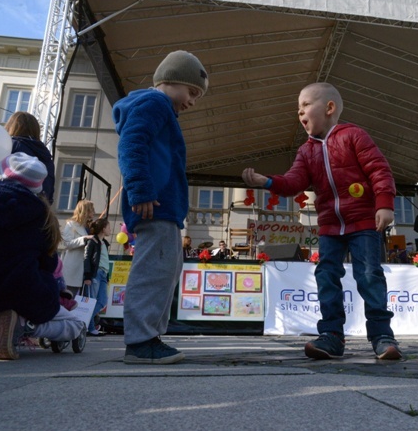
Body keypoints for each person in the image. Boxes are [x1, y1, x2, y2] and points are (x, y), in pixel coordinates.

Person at [242, 82, 401, 360]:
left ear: (329, 108)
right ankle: (331, 336)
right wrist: (267, 181)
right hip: (329, 226)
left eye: (305, 105)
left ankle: (382, 335)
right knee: (327, 276)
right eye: (298, 109)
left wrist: (385, 205)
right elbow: (294, 182)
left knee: (369, 275)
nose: (300, 113)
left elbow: (379, 170)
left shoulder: (354, 136)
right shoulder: (306, 151)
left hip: (364, 221)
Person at [114, 50, 208, 364]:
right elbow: (132, 143)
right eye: (192, 92)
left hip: (160, 206)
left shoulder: (159, 108)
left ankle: (150, 336)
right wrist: (140, 188)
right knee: (155, 269)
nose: (193, 101)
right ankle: (141, 341)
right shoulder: (154, 104)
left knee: (165, 269)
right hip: (154, 204)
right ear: (170, 80)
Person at [0, 153, 84, 359]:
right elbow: (49, 264)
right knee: (74, 324)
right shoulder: (40, 213)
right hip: (19, 290)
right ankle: (23, 326)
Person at [5, 111, 55, 204]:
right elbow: (50, 191)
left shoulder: (11, 145)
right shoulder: (46, 156)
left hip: (11, 204)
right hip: (39, 210)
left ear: (11, 126)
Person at [83, 218, 111, 336]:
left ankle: (86, 324)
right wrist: (88, 276)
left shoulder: (104, 243)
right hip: (96, 273)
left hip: (103, 274)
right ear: (103, 229)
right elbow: (87, 258)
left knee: (102, 300)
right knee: (93, 301)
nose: (110, 229)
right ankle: (89, 327)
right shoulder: (93, 241)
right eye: (108, 227)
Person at [61, 200, 95, 297]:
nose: (93, 212)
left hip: (83, 269)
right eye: (91, 210)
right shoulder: (71, 224)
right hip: (73, 268)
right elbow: (66, 244)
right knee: (68, 298)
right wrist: (84, 239)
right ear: (85, 211)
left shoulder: (87, 227)